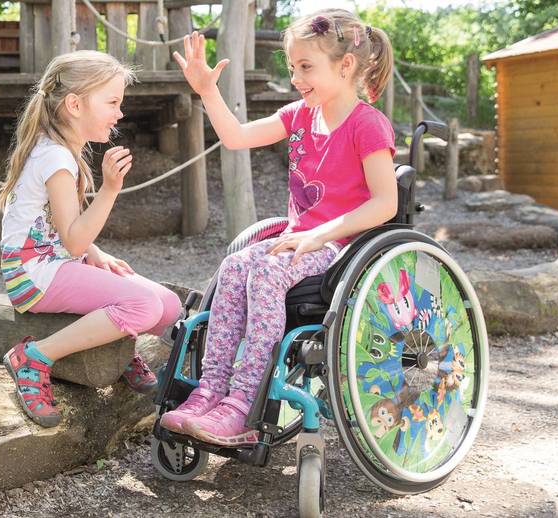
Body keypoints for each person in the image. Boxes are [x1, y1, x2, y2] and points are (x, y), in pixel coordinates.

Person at [160, 9, 398, 446]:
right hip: (296, 244)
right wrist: (207, 91)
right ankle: (209, 392)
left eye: (306, 67)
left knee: (266, 271)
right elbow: (234, 137)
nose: (295, 78)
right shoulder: (299, 116)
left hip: (339, 248)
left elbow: (386, 202)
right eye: (293, 67)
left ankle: (242, 405)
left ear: (346, 66)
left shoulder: (367, 125)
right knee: (234, 266)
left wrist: (319, 234)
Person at [0, 51, 181, 427]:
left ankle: (113, 342)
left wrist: (95, 252)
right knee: (143, 307)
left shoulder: (64, 151)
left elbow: (58, 227)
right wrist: (110, 189)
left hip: (55, 260)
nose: (120, 113)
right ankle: (34, 356)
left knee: (168, 305)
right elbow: (73, 239)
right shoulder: (56, 159)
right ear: (75, 104)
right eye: (112, 102)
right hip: (32, 274)